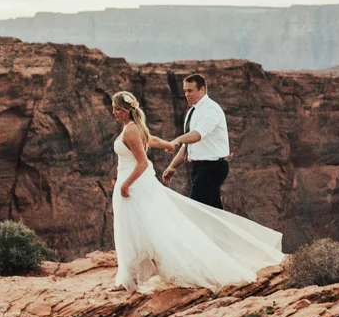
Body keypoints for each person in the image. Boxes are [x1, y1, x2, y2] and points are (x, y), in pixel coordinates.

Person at [108, 90, 281, 290]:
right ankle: (130, 277)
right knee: (136, 229)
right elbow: (150, 140)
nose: (115, 112)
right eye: (114, 109)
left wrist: (125, 185)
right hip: (137, 184)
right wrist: (169, 144)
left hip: (135, 186)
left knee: (134, 230)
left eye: (118, 109)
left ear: (128, 111)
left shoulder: (131, 130)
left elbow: (143, 163)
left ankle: (131, 279)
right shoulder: (134, 128)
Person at [163, 72, 230, 210]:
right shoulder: (193, 112)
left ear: (202, 89)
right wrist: (172, 166)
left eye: (190, 90)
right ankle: (221, 232)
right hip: (199, 168)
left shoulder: (211, 109)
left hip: (212, 167)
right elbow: (188, 146)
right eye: (185, 91)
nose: (187, 94)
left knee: (195, 210)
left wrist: (177, 140)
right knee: (214, 213)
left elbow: (198, 135)